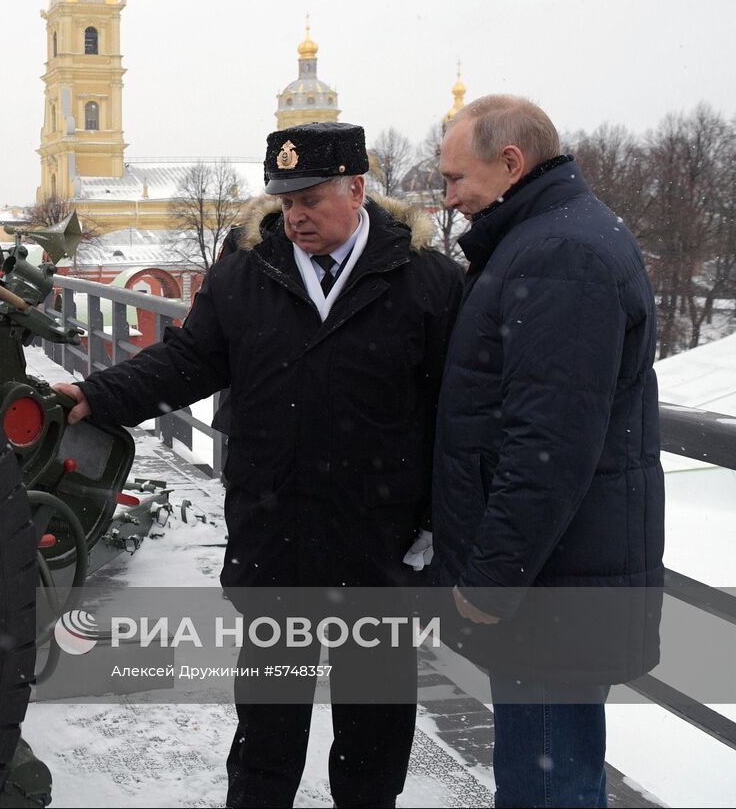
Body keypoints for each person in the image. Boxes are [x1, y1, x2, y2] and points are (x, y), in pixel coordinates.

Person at [55, 122, 463, 808]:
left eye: (310, 197)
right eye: (284, 199)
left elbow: (458, 412)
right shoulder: (248, 272)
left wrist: (439, 522)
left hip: (381, 548)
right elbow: (189, 361)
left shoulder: (425, 281)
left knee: (374, 728)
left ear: (357, 188)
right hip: (278, 536)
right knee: (268, 729)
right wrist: (96, 394)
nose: (294, 214)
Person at [431, 95, 664, 808]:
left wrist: (492, 580)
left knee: (547, 781)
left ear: (510, 163)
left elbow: (549, 444)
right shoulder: (547, 237)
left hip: (550, 585)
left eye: (455, 179)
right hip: (556, 572)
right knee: (549, 769)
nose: (448, 200)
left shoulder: (560, 254)